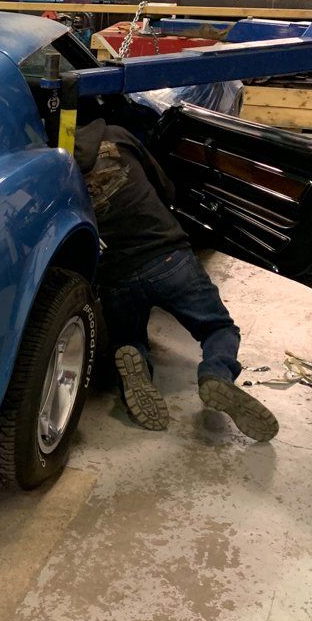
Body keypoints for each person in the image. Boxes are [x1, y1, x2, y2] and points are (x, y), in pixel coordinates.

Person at [74, 118, 279, 442]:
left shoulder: (57, 172)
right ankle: (216, 374)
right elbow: (164, 184)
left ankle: (136, 362)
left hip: (116, 273)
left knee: (128, 337)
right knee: (217, 328)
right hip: (167, 256)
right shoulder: (116, 133)